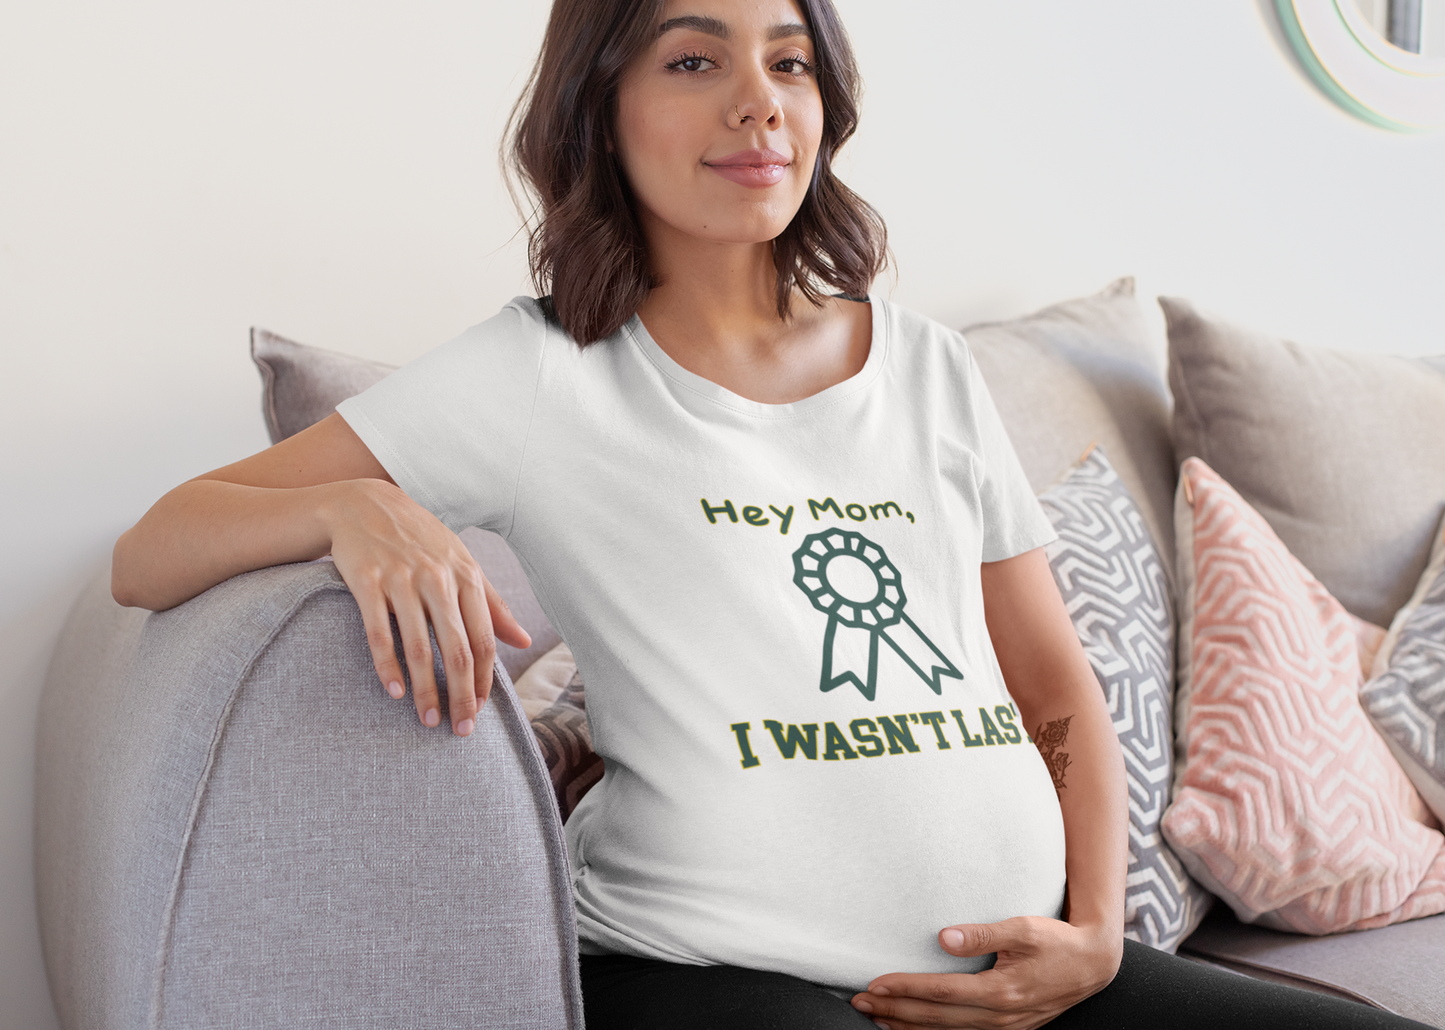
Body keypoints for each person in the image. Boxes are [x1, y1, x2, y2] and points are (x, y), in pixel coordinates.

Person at [112, 1, 1432, 1027]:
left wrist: (1092, 936)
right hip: (712, 968)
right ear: (601, 106)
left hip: (1022, 973)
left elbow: (1057, 697)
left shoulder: (925, 369)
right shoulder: (538, 371)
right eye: (694, 61)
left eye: (791, 63)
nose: (757, 103)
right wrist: (357, 507)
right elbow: (149, 548)